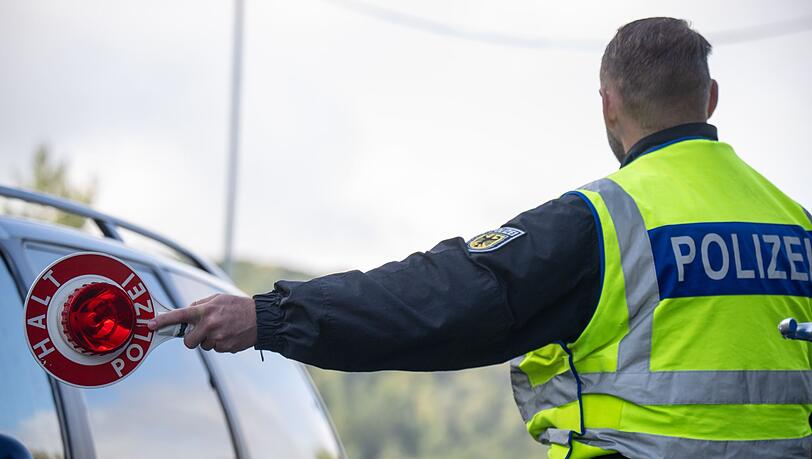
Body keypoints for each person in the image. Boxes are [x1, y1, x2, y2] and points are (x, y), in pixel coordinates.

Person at [149, 17, 812, 459]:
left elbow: (436, 299)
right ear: (710, 97)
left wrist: (269, 315)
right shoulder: (797, 225)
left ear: (608, 104)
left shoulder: (602, 220)